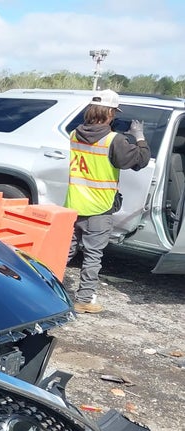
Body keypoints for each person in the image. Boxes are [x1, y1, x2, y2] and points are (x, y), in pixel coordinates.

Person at [64, 89, 150, 314]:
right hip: (98, 208)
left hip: (74, 204)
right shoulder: (114, 140)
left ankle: (44, 289)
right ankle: (84, 300)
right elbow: (140, 160)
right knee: (93, 255)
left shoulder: (74, 134)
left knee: (65, 252)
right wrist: (139, 136)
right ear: (110, 113)